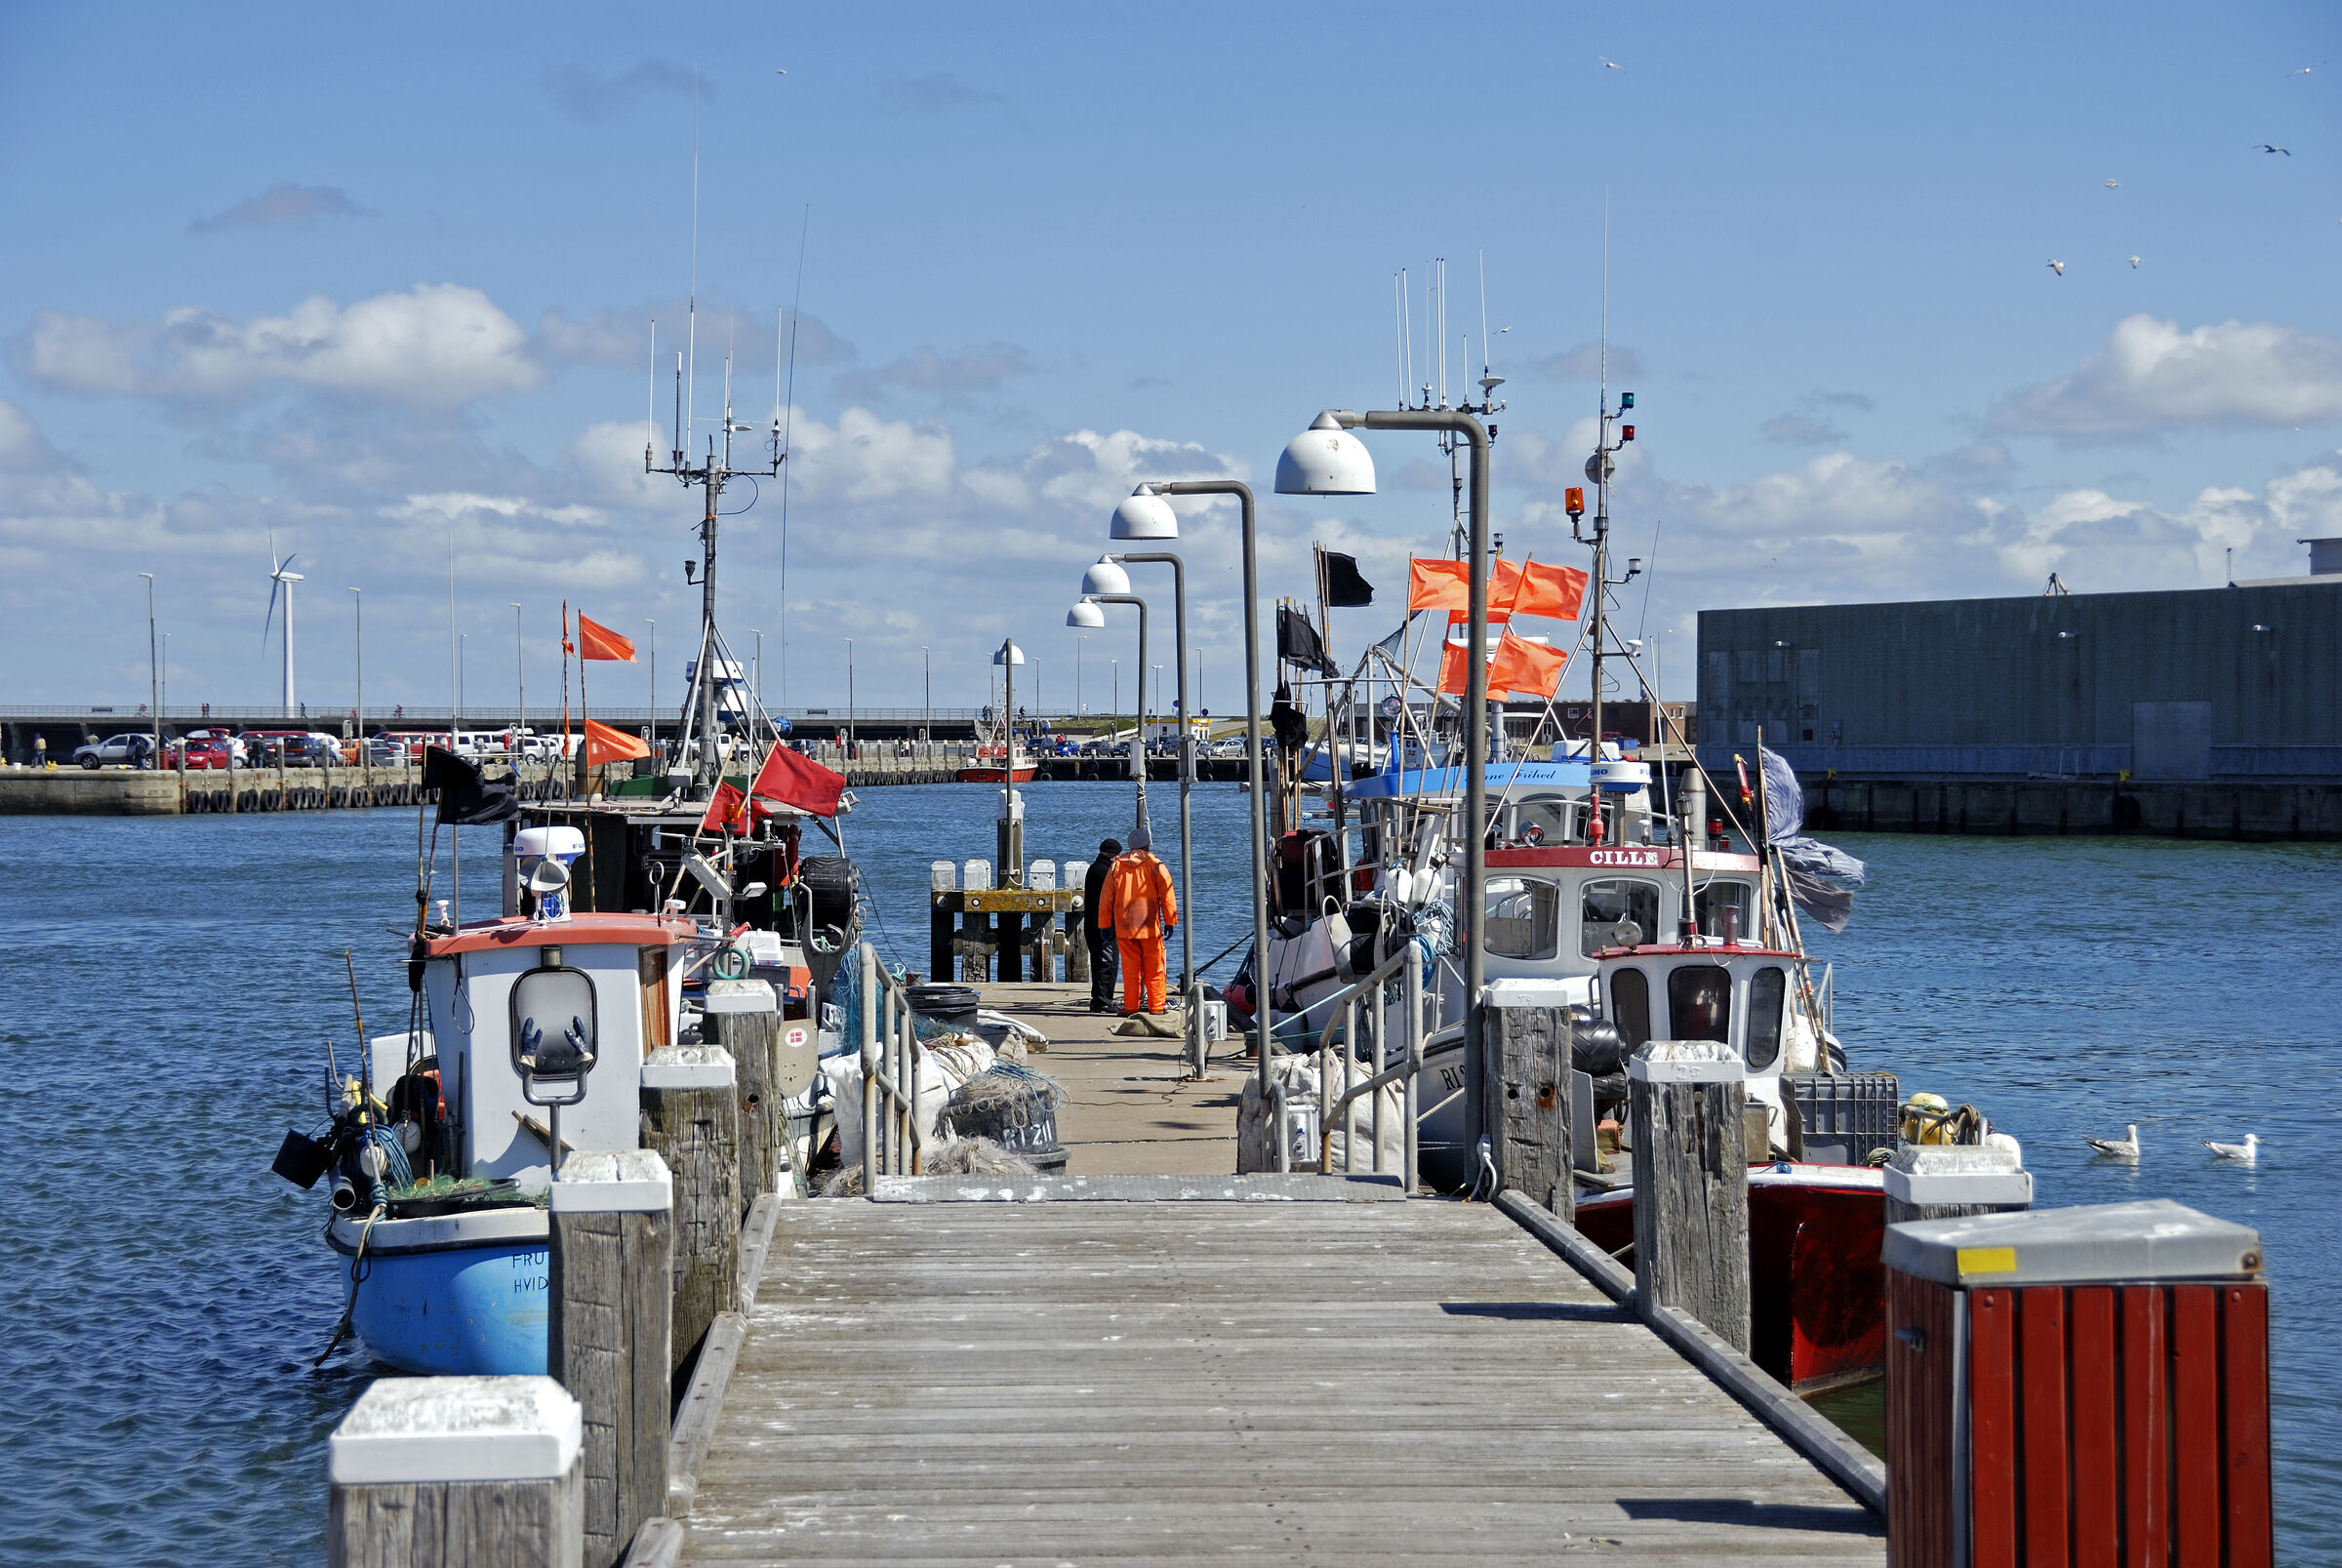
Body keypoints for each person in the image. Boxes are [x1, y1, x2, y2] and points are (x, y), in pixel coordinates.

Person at [1096, 825, 1176, 1017]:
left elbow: (1106, 898)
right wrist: (1170, 920)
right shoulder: (1156, 865)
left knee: (1130, 970)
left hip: (1125, 927)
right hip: (1149, 926)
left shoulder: (1116, 866)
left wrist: (1104, 924)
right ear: (1147, 844)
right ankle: (1156, 1006)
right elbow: (1167, 894)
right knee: (1155, 968)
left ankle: (1131, 1006)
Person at [1081, 838, 1122, 1013]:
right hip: (1103, 926)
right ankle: (1102, 1001)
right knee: (1107, 962)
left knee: (1100, 962)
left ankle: (1100, 999)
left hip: (1093, 924)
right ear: (1112, 854)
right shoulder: (1105, 872)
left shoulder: (1095, 868)